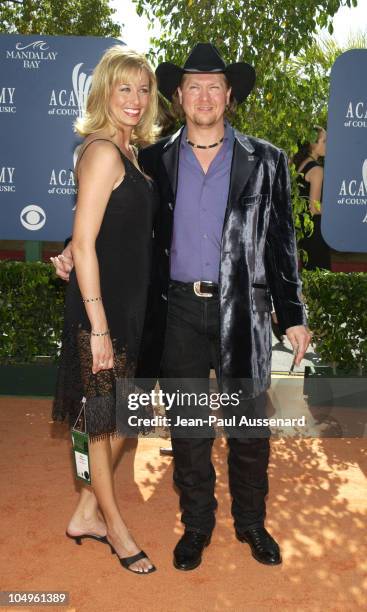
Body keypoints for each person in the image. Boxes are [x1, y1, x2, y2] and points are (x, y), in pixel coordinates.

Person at [54, 43, 311, 571]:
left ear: (229, 96)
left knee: (247, 426)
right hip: (174, 312)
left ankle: (251, 523)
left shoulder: (267, 161)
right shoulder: (152, 159)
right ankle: (196, 526)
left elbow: (280, 245)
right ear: (178, 97)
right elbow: (109, 219)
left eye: (215, 85)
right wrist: (68, 248)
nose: (204, 95)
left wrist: (296, 315)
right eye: (193, 85)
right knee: (187, 428)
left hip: (243, 313)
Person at [51, 45, 158, 574]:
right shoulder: (102, 151)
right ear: (103, 92)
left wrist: (70, 251)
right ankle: (115, 529)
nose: (135, 99)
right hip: (102, 313)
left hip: (126, 307)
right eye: (124, 88)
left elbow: (91, 233)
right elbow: (86, 243)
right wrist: (97, 327)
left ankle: (86, 512)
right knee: (102, 422)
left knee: (121, 417)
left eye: (143, 89)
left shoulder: (127, 151)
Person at [293, 126, 331, 270]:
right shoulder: (317, 170)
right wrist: (336, 208)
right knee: (319, 273)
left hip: (304, 230)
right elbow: (314, 208)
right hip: (315, 232)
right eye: (324, 141)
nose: (327, 145)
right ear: (313, 144)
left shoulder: (300, 164)